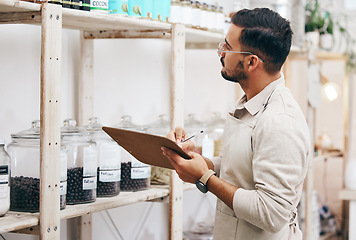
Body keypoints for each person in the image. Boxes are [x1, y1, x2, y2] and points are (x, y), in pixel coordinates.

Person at [161, 7, 310, 240]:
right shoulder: (251, 102)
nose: (221, 53)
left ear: (251, 62)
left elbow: (271, 213)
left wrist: (205, 178)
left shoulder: (280, 122)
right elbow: (243, 166)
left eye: (227, 47)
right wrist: (199, 159)